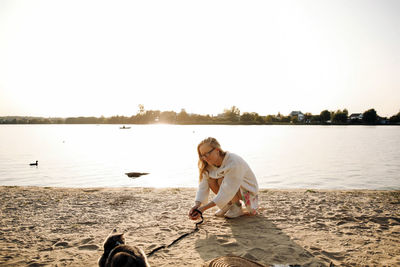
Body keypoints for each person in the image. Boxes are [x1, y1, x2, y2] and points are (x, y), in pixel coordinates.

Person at [188, 137, 259, 219]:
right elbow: (202, 187)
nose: (205, 158)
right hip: (230, 189)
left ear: (217, 150)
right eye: (202, 155)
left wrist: (203, 209)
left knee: (222, 180)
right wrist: (197, 205)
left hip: (247, 189)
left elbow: (227, 190)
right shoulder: (207, 165)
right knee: (211, 180)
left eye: (207, 153)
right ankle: (228, 204)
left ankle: (237, 206)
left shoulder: (233, 162)